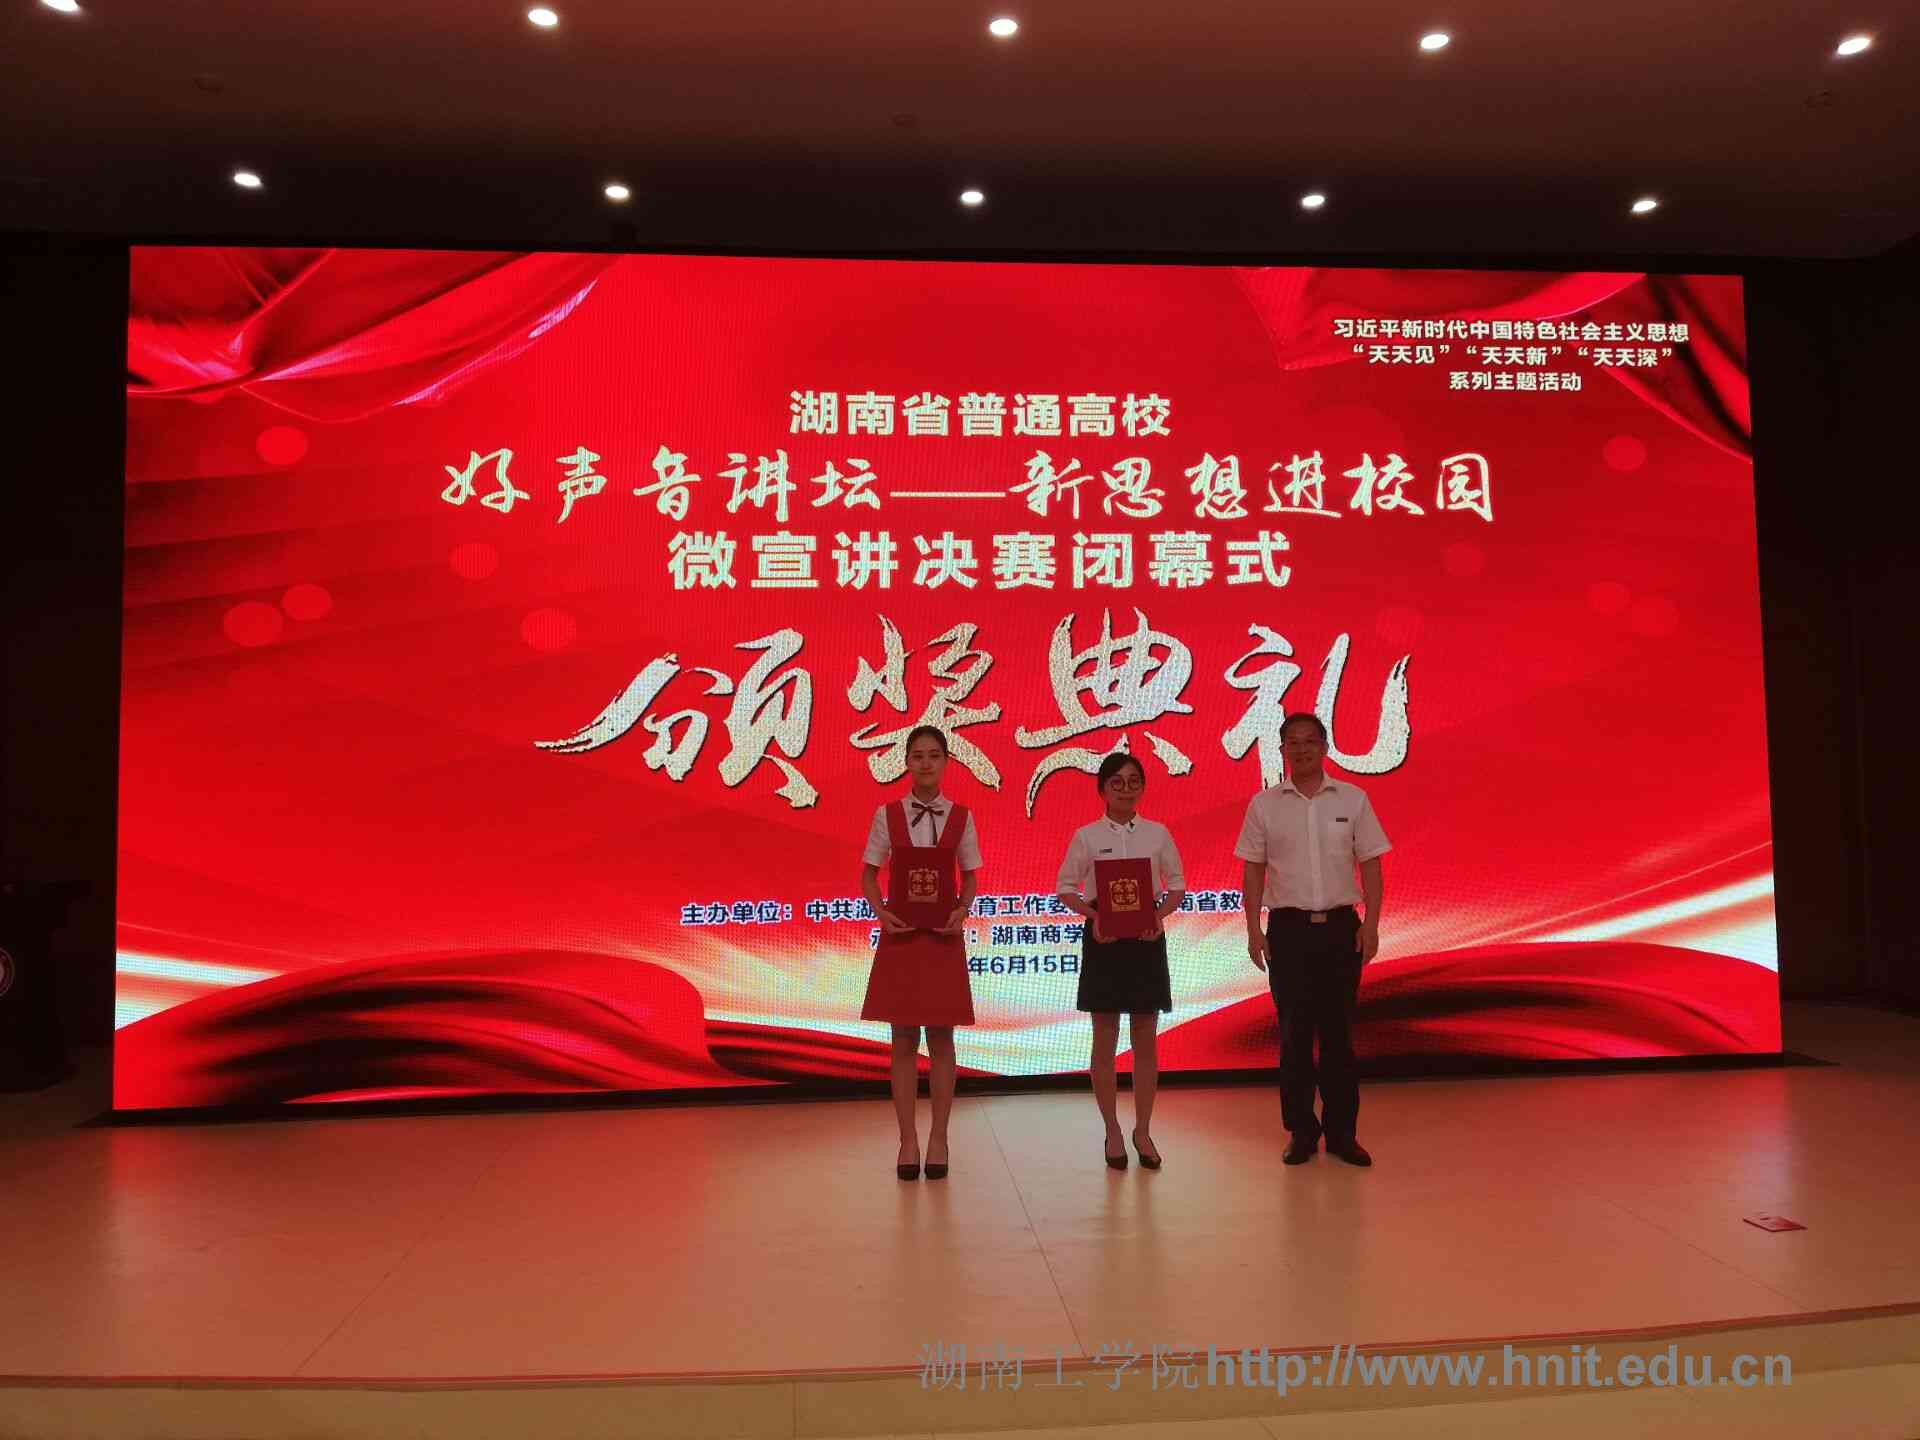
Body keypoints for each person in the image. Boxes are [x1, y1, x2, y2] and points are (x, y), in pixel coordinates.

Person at [1234, 713, 1391, 1168]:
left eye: (1309, 741)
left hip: (1342, 929)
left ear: (1324, 747)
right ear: (1282, 749)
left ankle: (1343, 1134)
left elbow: (1372, 865)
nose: (1300, 749)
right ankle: (1301, 1131)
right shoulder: (1265, 805)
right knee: (1294, 1035)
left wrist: (1371, 924)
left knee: (1339, 1036)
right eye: (1292, 742)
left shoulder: (1353, 799)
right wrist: (1253, 929)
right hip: (1288, 932)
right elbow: (1253, 870)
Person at [859, 725, 980, 1181]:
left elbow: (970, 876)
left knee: (943, 1039)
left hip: (943, 936)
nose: (926, 763)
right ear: (907, 762)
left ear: (946, 762)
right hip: (902, 934)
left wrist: (962, 910)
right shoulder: (887, 814)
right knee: (904, 1040)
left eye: (934, 755)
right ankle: (907, 1139)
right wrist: (881, 913)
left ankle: (939, 1138)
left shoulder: (961, 816)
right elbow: (869, 875)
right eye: (918, 755)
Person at [1055, 752, 1185, 1171]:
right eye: (1117, 782)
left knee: (1145, 1037)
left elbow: (1177, 886)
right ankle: (1112, 1129)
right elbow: (1066, 888)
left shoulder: (1157, 834)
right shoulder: (1087, 836)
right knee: (1105, 1037)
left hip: (1146, 938)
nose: (1126, 789)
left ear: (1143, 788)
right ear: (1102, 789)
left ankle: (1143, 1130)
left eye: (1133, 782)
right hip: (1104, 938)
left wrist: (1158, 918)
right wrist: (1093, 917)